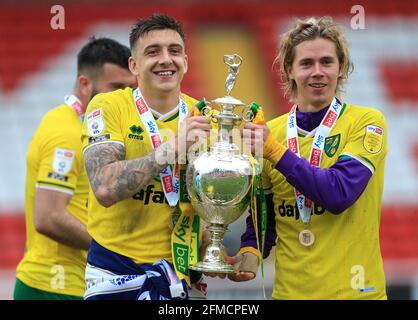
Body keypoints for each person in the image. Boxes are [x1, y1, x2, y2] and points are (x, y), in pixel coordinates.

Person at [233, 16, 388, 299]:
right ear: (289, 69)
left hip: (356, 295)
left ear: (341, 67)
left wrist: (274, 151)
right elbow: (265, 209)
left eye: (326, 62)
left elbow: (338, 193)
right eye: (306, 64)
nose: (317, 72)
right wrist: (251, 249)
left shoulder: (366, 121)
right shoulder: (274, 131)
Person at [81, 14, 211, 300]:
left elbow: (209, 200)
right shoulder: (108, 105)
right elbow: (104, 188)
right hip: (115, 273)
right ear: (134, 65)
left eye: (174, 51)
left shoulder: (204, 117)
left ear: (186, 62)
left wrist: (217, 249)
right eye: (153, 52)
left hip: (182, 274)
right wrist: (173, 147)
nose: (166, 59)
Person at [14, 37, 136, 300]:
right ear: (84, 84)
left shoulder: (95, 130)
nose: (124, 97)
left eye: (130, 89)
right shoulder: (65, 132)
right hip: (54, 287)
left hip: (80, 284)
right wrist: (116, 254)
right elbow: (48, 217)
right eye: (115, 87)